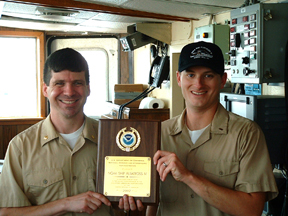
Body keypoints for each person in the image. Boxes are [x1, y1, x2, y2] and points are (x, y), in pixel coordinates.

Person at [0, 48, 143, 215]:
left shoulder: (114, 140)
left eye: (77, 83)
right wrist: (65, 204)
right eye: (59, 83)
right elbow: (7, 212)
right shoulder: (21, 147)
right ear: (45, 89)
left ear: (88, 89)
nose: (69, 92)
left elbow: (133, 203)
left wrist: (129, 205)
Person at [146, 41, 278, 216]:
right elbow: (152, 203)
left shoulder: (246, 134)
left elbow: (252, 209)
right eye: (190, 75)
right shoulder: (159, 133)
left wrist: (188, 177)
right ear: (178, 78)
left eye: (208, 75)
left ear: (222, 80)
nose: (198, 84)